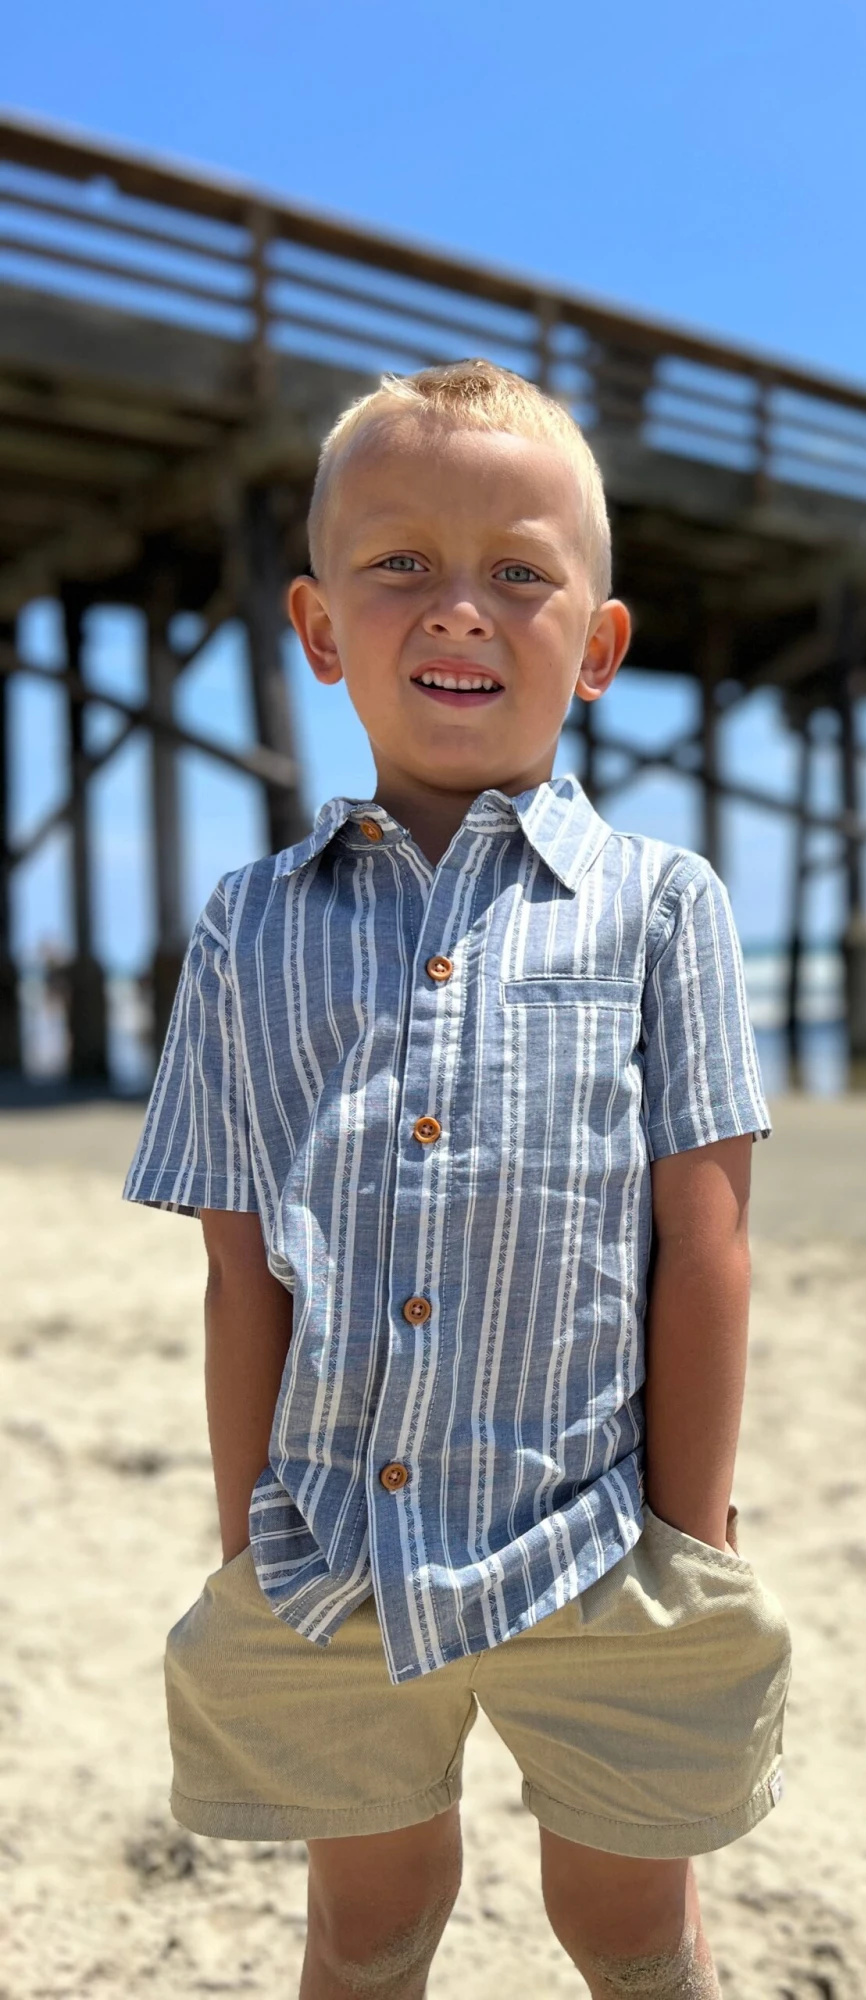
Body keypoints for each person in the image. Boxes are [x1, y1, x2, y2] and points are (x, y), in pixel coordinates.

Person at [124, 359, 789, 2000]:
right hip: (338, 1540)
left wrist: (687, 1540)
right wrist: (246, 1545)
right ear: (318, 628)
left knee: (631, 1928)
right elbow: (239, 1272)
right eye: (401, 564)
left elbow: (702, 1249)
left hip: (599, 1539)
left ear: (602, 645)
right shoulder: (249, 925)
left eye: (519, 572)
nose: (460, 610)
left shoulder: (658, 905)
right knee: (368, 1924)